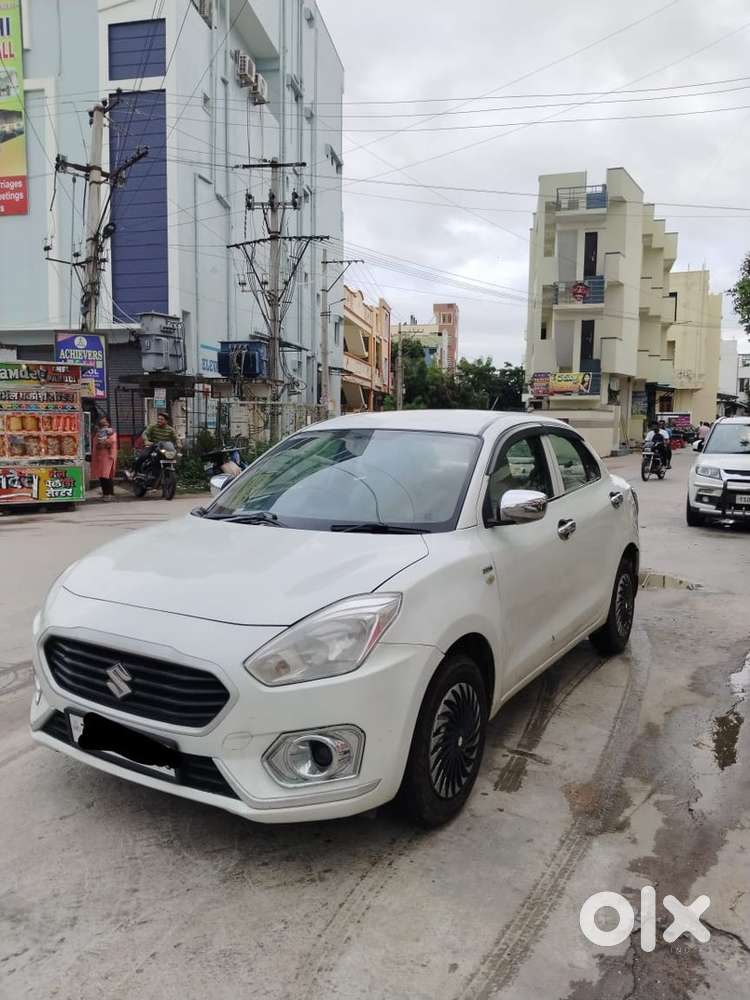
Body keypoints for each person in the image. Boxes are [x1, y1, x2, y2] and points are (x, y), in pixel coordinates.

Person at [90, 415, 118, 502]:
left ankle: (110, 494)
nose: (103, 424)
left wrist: (104, 441)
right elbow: (95, 441)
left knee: (107, 475)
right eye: (102, 422)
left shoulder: (111, 432)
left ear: (108, 423)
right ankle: (105, 494)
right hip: (99, 456)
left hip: (108, 456)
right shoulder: (98, 431)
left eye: (105, 422)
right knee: (101, 476)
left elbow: (112, 441)